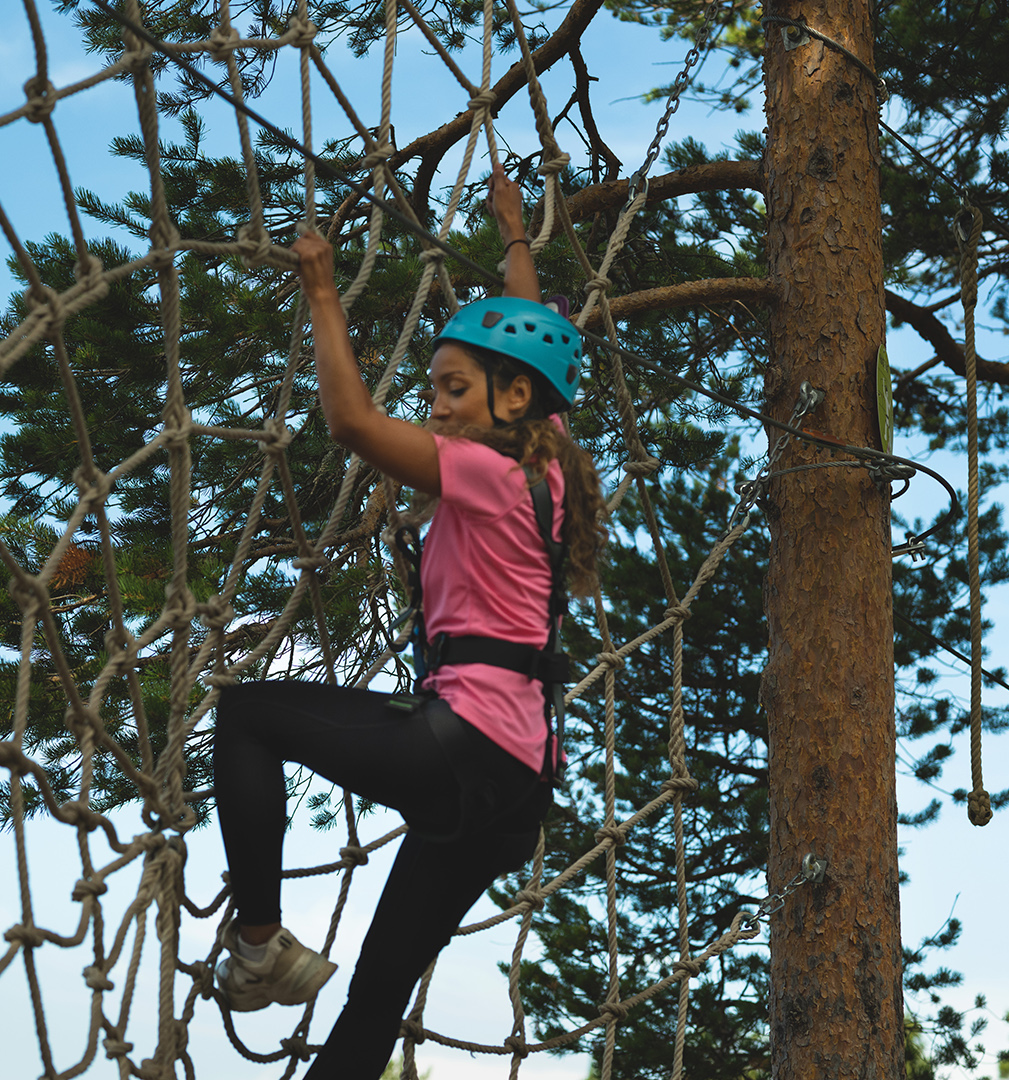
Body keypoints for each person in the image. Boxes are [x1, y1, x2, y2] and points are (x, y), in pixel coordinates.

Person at [210, 173, 605, 1078]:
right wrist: (515, 239)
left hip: (463, 742)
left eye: (451, 387)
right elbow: (528, 338)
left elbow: (350, 421)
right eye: (433, 387)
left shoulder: (479, 467)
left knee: (248, 715)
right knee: (379, 990)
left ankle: (262, 941)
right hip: (518, 787)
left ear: (509, 400)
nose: (436, 402)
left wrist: (321, 288)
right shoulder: (545, 470)